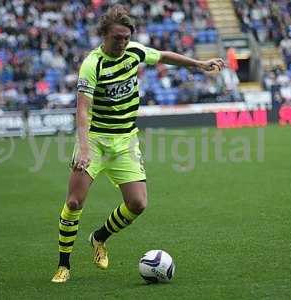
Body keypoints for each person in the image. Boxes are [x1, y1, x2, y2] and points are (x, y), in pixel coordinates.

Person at [51, 4, 225, 283]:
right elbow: (82, 109)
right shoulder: (92, 64)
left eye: (126, 38)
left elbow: (164, 56)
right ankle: (64, 265)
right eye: (116, 37)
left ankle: (98, 238)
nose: (122, 42)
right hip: (95, 141)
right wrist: (83, 148)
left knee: (138, 203)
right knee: (74, 201)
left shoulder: (134, 52)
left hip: (125, 141)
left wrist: (198, 64)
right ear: (104, 35)